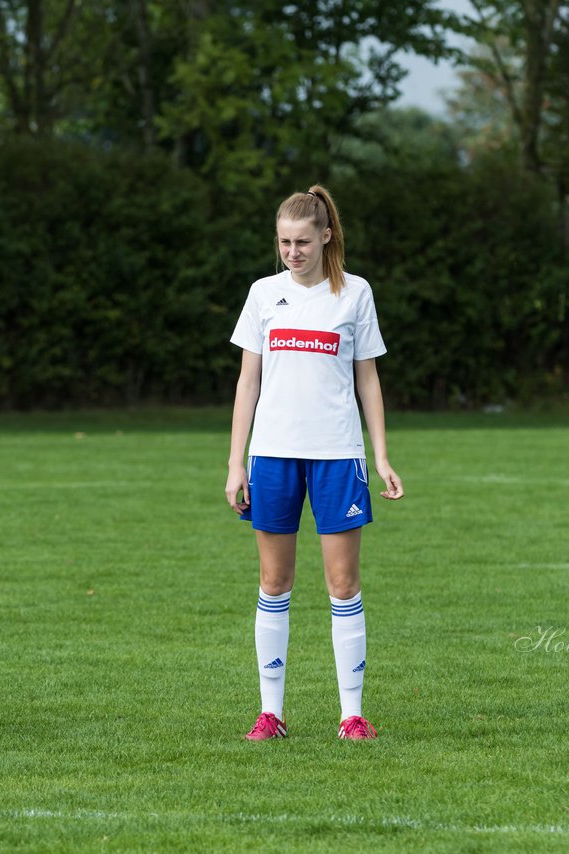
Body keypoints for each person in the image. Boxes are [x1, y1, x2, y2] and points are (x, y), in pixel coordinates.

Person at [226, 184, 404, 741]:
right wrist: (236, 463)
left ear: (326, 236)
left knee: (342, 583)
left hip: (337, 456)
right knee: (274, 580)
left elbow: (367, 378)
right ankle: (270, 713)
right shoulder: (262, 294)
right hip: (272, 455)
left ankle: (351, 715)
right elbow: (248, 381)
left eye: (303, 241)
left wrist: (380, 455)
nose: (293, 252)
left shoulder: (355, 294)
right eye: (284, 242)